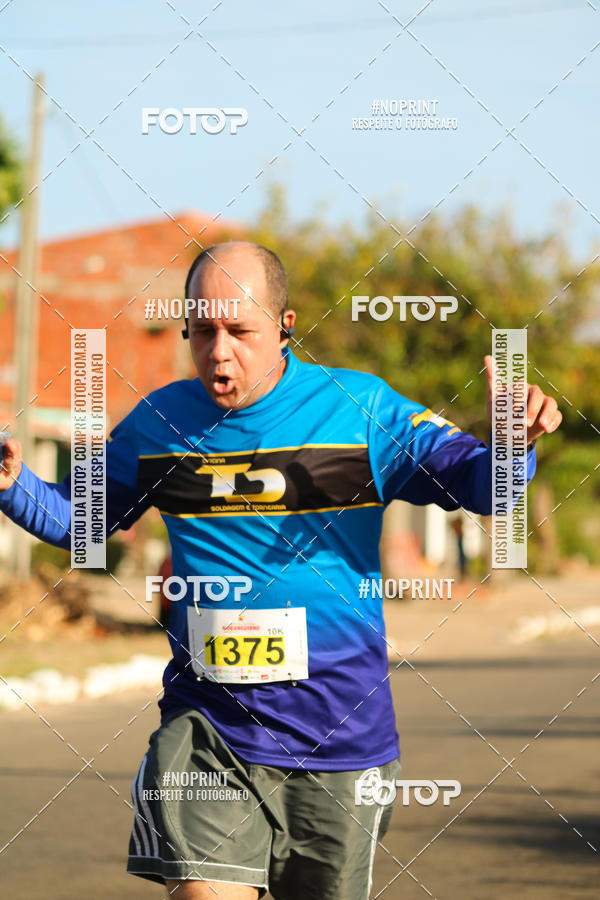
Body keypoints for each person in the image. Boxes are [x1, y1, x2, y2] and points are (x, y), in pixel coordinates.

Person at [0, 242, 562, 899]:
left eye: (240, 331)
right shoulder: (160, 424)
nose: (219, 352)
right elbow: (81, 521)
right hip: (207, 728)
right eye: (202, 331)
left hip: (341, 739)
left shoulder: (360, 411)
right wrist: (12, 482)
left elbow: (482, 488)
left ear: (285, 326)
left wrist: (511, 444)